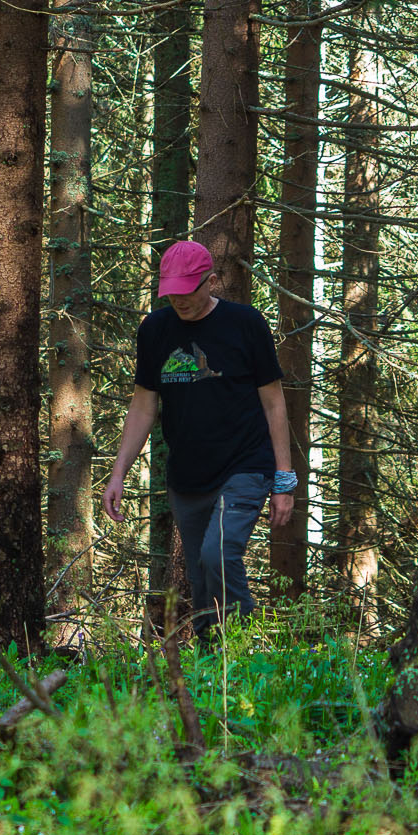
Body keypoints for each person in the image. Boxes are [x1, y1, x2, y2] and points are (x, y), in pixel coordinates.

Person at [102, 240, 296, 640]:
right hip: (187, 477)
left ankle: (240, 647)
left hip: (245, 465)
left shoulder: (246, 324)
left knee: (218, 555)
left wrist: (284, 479)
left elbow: (274, 403)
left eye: (187, 290)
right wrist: (118, 472)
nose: (179, 300)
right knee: (202, 580)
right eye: (171, 291)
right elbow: (143, 406)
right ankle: (212, 666)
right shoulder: (155, 330)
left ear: (211, 281)